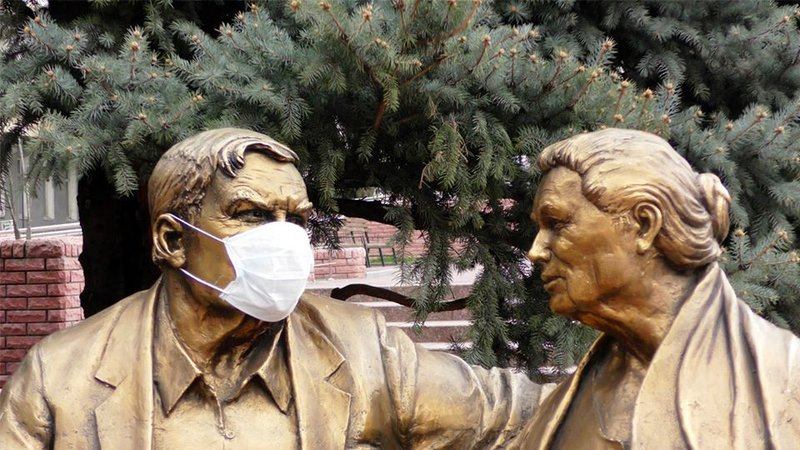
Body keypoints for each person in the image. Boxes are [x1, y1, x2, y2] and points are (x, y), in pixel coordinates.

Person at [0, 128, 544, 449]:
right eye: (252, 215)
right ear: (172, 240)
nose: (284, 240)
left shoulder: (365, 352)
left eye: (296, 219)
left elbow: (528, 415)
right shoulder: (60, 378)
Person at [510, 128, 800, 449]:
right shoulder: (573, 401)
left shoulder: (786, 383)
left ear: (645, 225)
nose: (535, 251)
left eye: (557, 223)